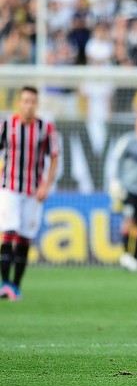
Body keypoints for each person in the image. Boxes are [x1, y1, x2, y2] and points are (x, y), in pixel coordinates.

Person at [0, 86, 60, 301]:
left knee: (25, 238)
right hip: (9, 188)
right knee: (9, 232)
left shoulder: (45, 128)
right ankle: (4, 284)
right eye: (25, 101)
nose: (29, 105)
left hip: (34, 190)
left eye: (32, 101)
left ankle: (15, 286)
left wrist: (46, 185)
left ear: (37, 104)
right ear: (19, 103)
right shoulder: (7, 125)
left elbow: (54, 156)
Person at [109, 112, 137, 272]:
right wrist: (115, 181)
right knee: (129, 219)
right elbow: (115, 160)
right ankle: (126, 254)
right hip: (129, 188)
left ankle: (136, 257)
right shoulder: (128, 141)